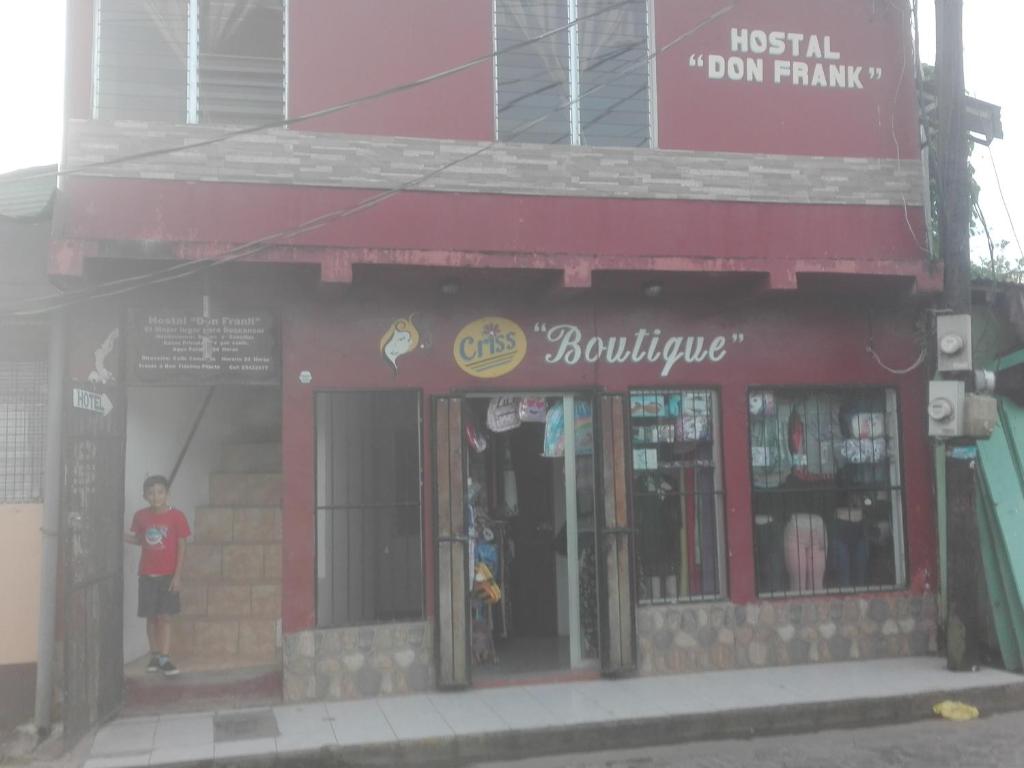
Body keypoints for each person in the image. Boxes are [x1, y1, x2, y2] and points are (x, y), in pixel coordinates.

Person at [125, 475, 190, 677]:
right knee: (151, 617)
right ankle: (154, 655)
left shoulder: (177, 517)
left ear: (167, 494)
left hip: (168, 576)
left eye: (160, 492)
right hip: (147, 575)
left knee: (165, 617)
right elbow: (139, 540)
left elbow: (182, 545)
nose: (156, 496)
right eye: (151, 493)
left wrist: (177, 576)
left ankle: (165, 657)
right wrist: (116, 534)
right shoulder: (140, 516)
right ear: (145, 496)